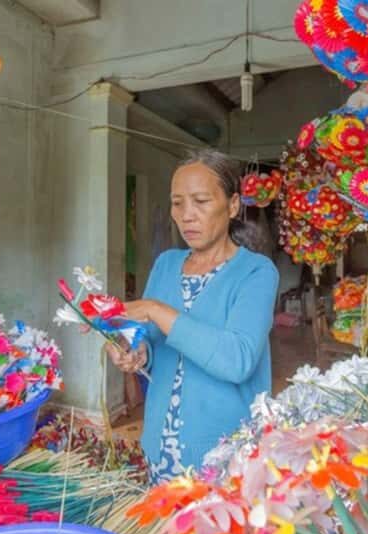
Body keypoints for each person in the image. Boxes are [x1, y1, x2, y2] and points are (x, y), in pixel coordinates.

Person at [107, 149, 279, 484]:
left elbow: (237, 360)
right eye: (177, 203)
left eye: (200, 201)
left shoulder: (256, 272)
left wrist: (154, 309)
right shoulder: (166, 264)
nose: (187, 215)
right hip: (161, 445)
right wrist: (133, 352)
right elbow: (156, 346)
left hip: (227, 454)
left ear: (232, 206)